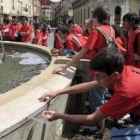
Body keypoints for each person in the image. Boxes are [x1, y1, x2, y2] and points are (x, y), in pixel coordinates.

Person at [39, 46, 140, 139]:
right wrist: (57, 92)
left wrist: (59, 115)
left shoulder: (126, 91)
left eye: (98, 75)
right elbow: (88, 85)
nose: (95, 78)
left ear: (114, 75)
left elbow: (91, 118)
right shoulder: (121, 72)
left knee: (117, 137)